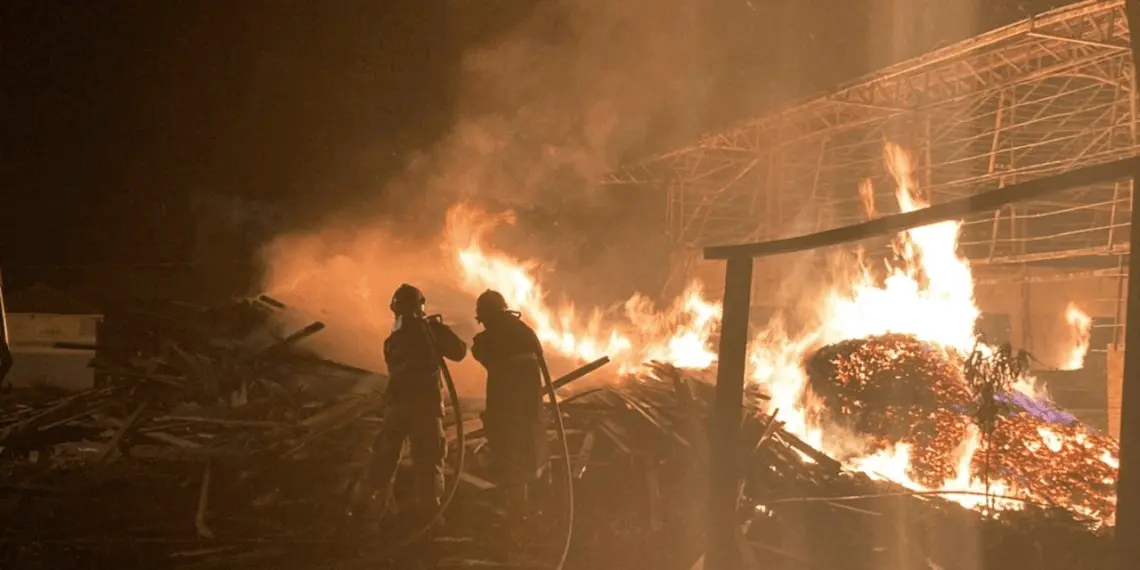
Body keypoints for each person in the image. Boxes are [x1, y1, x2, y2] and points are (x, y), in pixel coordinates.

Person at [350, 283, 467, 521]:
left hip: (396, 408)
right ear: (420, 306)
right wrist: (439, 329)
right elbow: (459, 351)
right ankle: (429, 517)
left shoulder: (391, 341)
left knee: (384, 457)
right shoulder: (431, 330)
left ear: (395, 309)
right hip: (425, 407)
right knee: (430, 458)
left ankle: (361, 509)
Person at [470, 290, 549, 503]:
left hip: (506, 401)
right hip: (528, 403)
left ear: (487, 314)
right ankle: (528, 496)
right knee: (528, 443)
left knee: (506, 439)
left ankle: (514, 498)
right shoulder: (525, 331)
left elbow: (480, 350)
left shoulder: (494, 334)